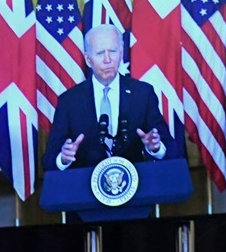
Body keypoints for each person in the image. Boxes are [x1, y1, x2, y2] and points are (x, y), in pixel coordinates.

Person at [42, 23, 172, 171]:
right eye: (100, 53)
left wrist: (155, 148)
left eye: (113, 51)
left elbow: (170, 147)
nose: (107, 59)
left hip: (134, 183)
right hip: (86, 188)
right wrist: (63, 158)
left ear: (121, 54)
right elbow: (49, 160)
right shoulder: (69, 101)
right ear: (88, 59)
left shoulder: (143, 94)